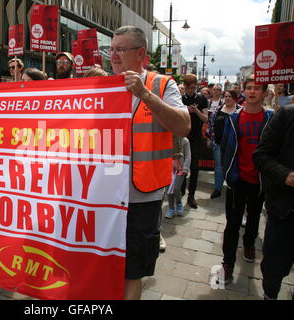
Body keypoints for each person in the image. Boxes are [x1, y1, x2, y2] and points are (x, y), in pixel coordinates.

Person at [110, 26, 190, 300]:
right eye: (112, 49)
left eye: (121, 49)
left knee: (134, 268)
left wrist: (144, 94)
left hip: (142, 195)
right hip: (103, 196)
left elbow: (183, 125)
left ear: (141, 53)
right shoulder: (100, 87)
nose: (114, 55)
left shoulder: (161, 84)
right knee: (105, 265)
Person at [218, 74, 274, 284]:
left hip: (259, 179)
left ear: (264, 93)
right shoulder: (233, 118)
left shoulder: (271, 118)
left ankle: (249, 243)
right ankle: (228, 263)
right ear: (243, 91)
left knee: (254, 217)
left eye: (257, 88)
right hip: (237, 178)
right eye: (248, 87)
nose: (252, 91)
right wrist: (227, 173)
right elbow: (225, 147)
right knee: (232, 223)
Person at [253, 102, 294, 300]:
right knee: (273, 269)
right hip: (284, 211)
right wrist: (286, 176)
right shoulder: (286, 115)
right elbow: (261, 155)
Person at [182, 74, 208, 209]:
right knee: (181, 165)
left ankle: (191, 195)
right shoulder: (180, 99)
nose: (191, 90)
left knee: (194, 167)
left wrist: (196, 110)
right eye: (188, 88)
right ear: (185, 87)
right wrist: (185, 110)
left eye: (193, 87)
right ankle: (180, 190)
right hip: (182, 136)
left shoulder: (202, 99)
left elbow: (205, 119)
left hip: (196, 137)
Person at [207, 90, 240, 199]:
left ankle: (233, 188)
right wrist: (210, 138)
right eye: (225, 96)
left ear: (235, 98)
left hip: (234, 146)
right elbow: (211, 124)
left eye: (230, 96)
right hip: (218, 143)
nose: (227, 98)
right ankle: (217, 189)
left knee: (233, 166)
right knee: (218, 167)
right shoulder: (218, 109)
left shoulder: (240, 110)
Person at [165, 137, 191, 218]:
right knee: (168, 189)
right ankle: (171, 208)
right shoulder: (167, 139)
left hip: (180, 169)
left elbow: (188, 156)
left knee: (176, 188)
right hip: (168, 169)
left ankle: (179, 203)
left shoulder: (185, 141)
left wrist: (185, 169)